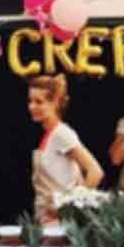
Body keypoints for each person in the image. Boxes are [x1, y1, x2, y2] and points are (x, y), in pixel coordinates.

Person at [28, 73, 103, 225]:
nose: (31, 107)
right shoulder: (49, 134)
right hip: (45, 219)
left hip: (61, 222)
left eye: (39, 102)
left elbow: (95, 172)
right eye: (30, 101)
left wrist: (68, 206)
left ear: (55, 103)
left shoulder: (62, 134)